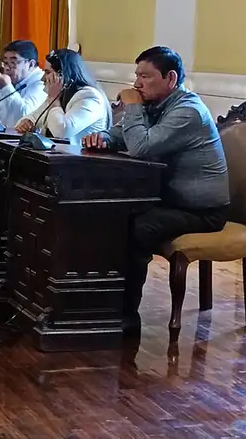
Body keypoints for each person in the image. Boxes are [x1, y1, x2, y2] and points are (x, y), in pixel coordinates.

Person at [82, 46, 229, 333]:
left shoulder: (188, 111)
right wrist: (102, 138)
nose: (136, 83)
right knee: (108, 216)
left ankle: (125, 316)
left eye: (145, 76)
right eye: (136, 75)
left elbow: (142, 148)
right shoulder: (154, 105)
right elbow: (121, 136)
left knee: (137, 228)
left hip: (202, 211)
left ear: (170, 78)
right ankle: (96, 302)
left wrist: (133, 106)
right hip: (170, 201)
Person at [16, 49, 110, 145]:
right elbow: (34, 116)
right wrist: (26, 122)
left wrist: (53, 99)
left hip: (79, 157)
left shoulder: (89, 97)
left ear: (62, 75)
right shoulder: (59, 94)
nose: (43, 78)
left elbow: (62, 131)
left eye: (48, 72)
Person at [0, 40, 46, 127]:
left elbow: (24, 118)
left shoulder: (41, 84)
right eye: (6, 63)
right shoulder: (13, 81)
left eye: (13, 63)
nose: (7, 68)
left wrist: (6, 87)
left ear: (30, 64)